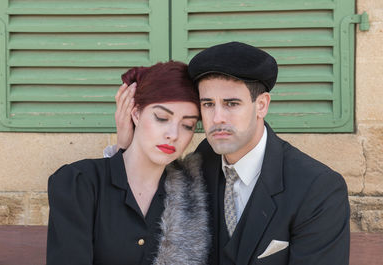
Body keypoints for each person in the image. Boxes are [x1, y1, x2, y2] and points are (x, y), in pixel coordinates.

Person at [113, 42, 350, 265]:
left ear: (262, 105)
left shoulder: (318, 188)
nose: (217, 119)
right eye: (207, 104)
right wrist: (127, 145)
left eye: (231, 104)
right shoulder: (201, 162)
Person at [46, 61, 211, 265]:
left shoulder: (192, 194)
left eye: (187, 125)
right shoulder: (80, 182)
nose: (173, 135)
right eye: (161, 118)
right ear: (135, 113)